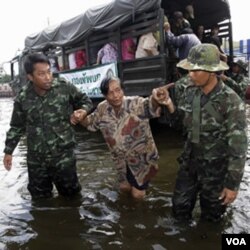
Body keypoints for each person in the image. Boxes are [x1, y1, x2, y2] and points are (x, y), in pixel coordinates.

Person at [154, 44, 248, 222]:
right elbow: (181, 126)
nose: (191, 74)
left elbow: (238, 149)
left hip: (215, 170)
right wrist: (168, 104)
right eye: (190, 69)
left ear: (212, 72)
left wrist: (232, 185)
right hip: (190, 164)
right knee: (179, 209)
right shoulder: (190, 93)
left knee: (212, 217)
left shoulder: (230, 101)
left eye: (196, 70)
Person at [3, 53, 93, 199]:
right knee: (40, 200)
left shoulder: (63, 87)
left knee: (72, 198)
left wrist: (82, 111)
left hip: (63, 156)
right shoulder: (23, 98)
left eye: (49, 71)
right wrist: (8, 151)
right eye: (41, 74)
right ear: (30, 77)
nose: (48, 77)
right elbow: (16, 126)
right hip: (37, 161)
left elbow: (85, 100)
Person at [80, 76, 172, 199]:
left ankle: (142, 215)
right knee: (124, 189)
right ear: (104, 95)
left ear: (123, 90)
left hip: (142, 160)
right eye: (111, 93)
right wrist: (80, 117)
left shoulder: (135, 103)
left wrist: (156, 99)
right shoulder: (102, 109)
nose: (116, 95)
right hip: (121, 161)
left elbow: (149, 105)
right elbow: (90, 123)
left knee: (137, 195)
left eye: (118, 90)